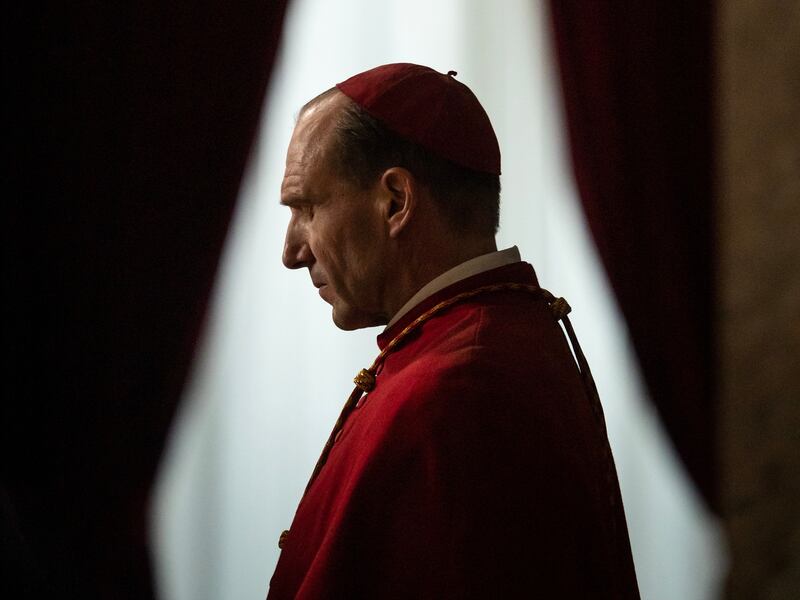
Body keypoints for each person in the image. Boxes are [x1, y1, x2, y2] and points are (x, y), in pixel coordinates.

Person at [268, 63, 640, 599]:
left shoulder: (458, 389)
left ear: (395, 201)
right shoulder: (492, 336)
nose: (291, 252)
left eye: (306, 208)